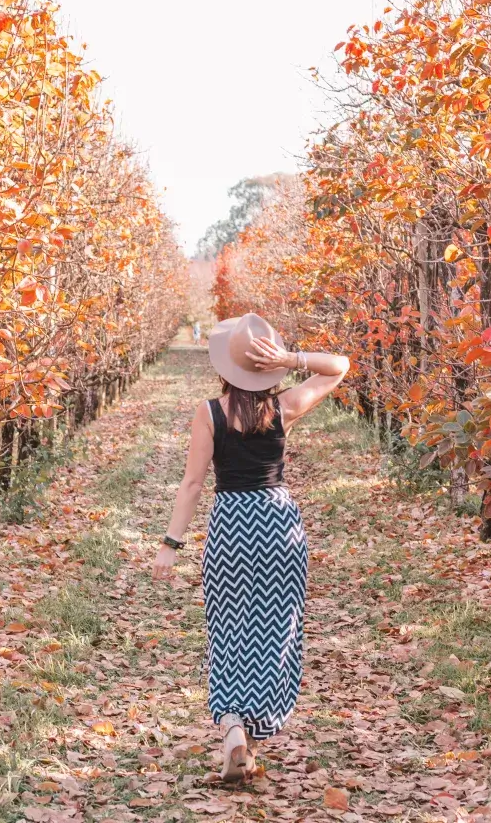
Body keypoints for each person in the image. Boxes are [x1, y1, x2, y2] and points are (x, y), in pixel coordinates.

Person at [152, 313, 349, 781]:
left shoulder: (210, 412)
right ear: (268, 369)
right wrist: (293, 358)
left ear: (224, 368)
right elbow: (339, 365)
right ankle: (251, 736)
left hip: (233, 527)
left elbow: (192, 483)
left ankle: (234, 730)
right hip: (279, 523)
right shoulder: (284, 408)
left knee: (228, 633)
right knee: (274, 631)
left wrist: (170, 544)